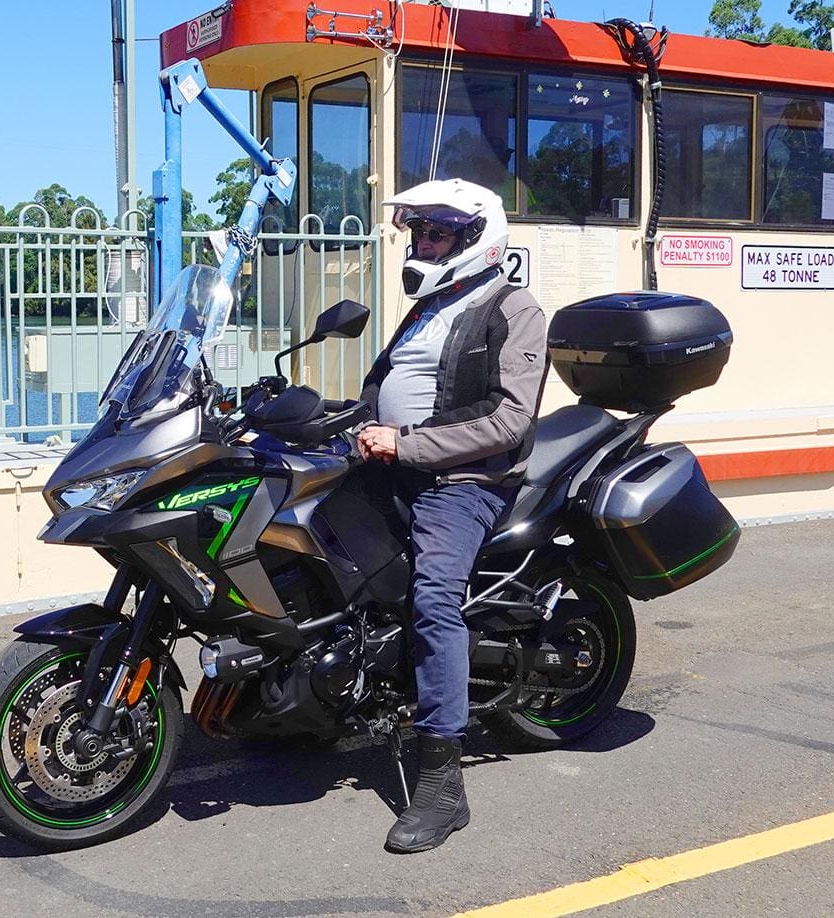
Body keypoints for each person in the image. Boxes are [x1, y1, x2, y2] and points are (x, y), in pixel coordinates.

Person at [354, 178, 548, 853]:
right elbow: (386, 388)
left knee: (434, 595)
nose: (424, 242)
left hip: (464, 482)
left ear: (475, 239)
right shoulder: (429, 306)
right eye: (420, 231)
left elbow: (508, 418)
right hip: (396, 466)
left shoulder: (512, 309)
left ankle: (442, 781)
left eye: (438, 233)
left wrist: (407, 443)